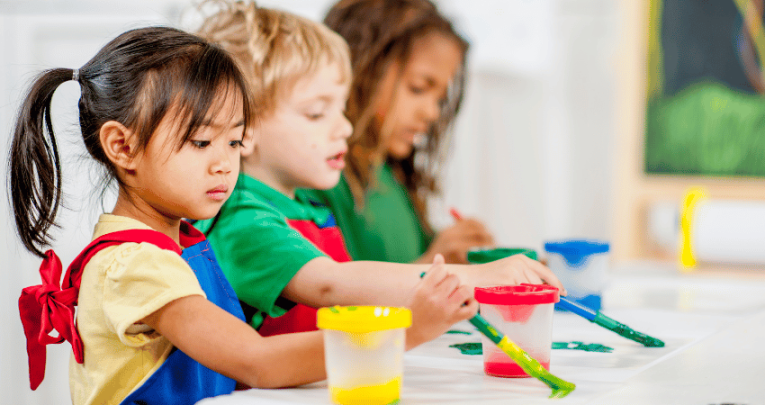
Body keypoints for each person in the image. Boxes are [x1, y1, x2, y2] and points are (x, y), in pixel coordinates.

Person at [11, 26, 478, 405]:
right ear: (123, 145)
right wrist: (407, 329)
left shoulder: (183, 240)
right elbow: (258, 361)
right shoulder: (132, 265)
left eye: (234, 142)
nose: (224, 163)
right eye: (200, 142)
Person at [195, 1, 564, 337]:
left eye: (341, 109)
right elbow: (333, 284)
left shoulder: (306, 211)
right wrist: (474, 277)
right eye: (316, 113)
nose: (346, 127)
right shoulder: (241, 216)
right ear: (244, 128)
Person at [317, 0, 495, 264]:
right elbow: (329, 296)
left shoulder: (392, 176)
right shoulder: (322, 176)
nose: (432, 113)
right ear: (360, 70)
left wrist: (459, 253)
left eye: (439, 99)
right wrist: (434, 261)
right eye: (418, 88)